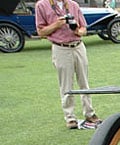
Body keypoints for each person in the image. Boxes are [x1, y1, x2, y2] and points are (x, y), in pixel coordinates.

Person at [35, 0, 101, 129]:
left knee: (84, 82)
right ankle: (70, 117)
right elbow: (41, 32)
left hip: (78, 46)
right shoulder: (42, 5)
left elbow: (84, 28)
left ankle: (90, 113)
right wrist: (58, 24)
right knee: (66, 84)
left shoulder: (73, 5)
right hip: (61, 48)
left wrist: (79, 31)